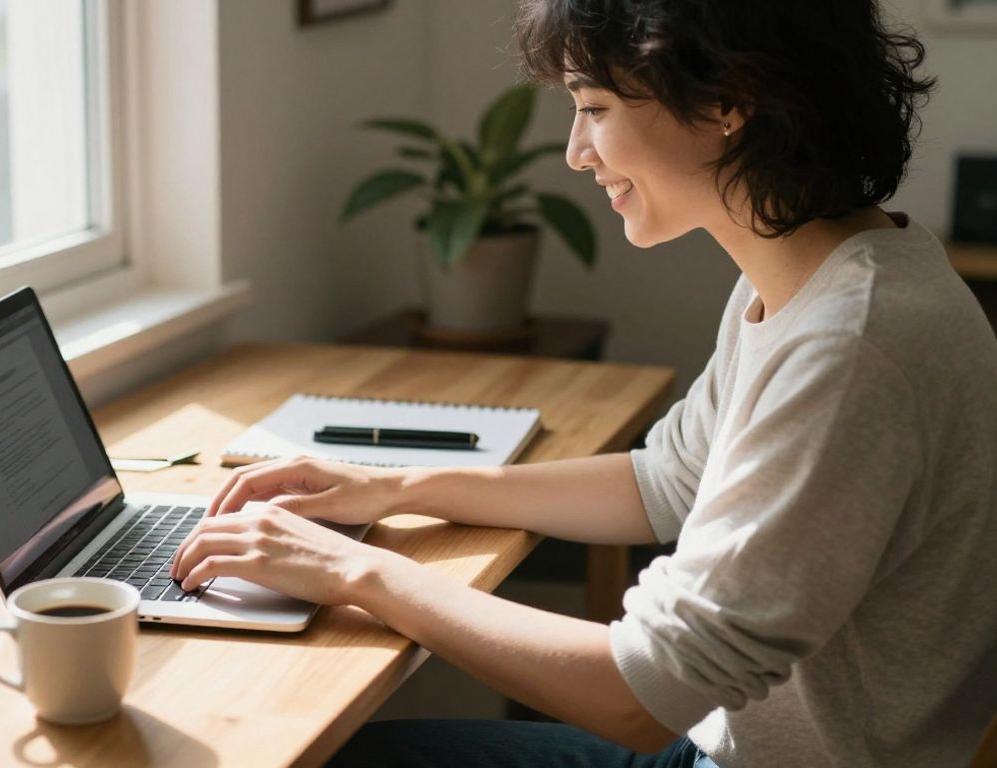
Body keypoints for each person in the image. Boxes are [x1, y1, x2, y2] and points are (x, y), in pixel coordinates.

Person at [171, 0, 997, 764]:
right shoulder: (820, 270)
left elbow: (644, 695)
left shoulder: (849, 346)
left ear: (727, 101)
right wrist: (393, 488)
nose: (576, 151)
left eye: (595, 108)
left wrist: (354, 572)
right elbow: (667, 480)